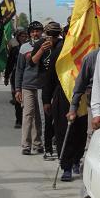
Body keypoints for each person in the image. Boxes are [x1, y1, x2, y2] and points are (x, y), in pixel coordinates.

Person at [42, 23, 87, 181]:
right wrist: (46, 100)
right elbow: (50, 77)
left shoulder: (86, 51)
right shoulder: (59, 51)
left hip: (82, 98)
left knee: (80, 133)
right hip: (62, 96)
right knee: (63, 132)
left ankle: (76, 160)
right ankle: (66, 166)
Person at [66, 22, 100, 137]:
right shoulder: (91, 57)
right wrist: (73, 108)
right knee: (94, 135)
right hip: (95, 105)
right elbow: (80, 85)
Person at [31, 21, 62, 160]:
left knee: (59, 117)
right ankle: (47, 148)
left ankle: (59, 146)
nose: (52, 38)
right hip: (43, 86)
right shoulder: (40, 44)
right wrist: (41, 50)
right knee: (46, 119)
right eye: (49, 34)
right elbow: (32, 62)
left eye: (55, 35)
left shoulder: (62, 45)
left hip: (59, 86)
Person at [16, 21, 44, 155]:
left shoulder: (46, 46)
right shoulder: (24, 48)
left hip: (42, 86)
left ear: (42, 32)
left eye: (37, 31)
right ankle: (26, 145)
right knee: (28, 115)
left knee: (39, 116)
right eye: (33, 31)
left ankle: (37, 143)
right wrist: (17, 89)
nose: (35, 33)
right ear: (29, 33)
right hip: (27, 86)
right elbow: (19, 69)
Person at [5, 28, 28, 129]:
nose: (24, 38)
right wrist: (6, 77)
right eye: (22, 36)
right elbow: (9, 64)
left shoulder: (30, 48)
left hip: (28, 77)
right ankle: (19, 120)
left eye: (25, 36)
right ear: (18, 38)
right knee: (18, 99)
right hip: (16, 76)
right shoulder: (15, 50)